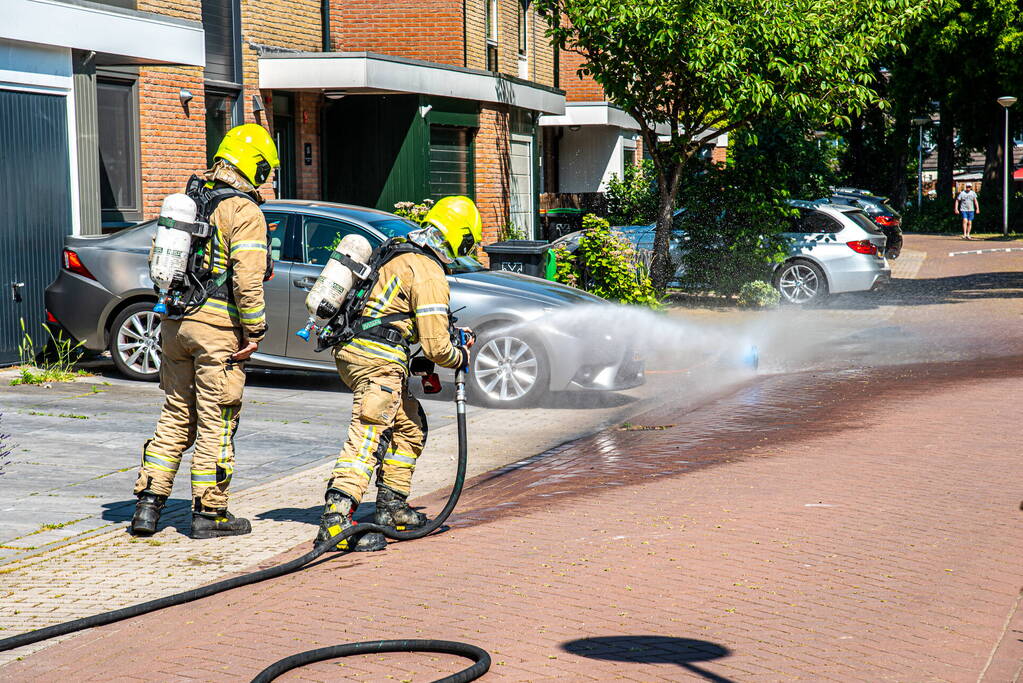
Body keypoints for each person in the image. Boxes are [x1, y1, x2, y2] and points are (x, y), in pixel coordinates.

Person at [130, 123, 279, 539]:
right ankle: (209, 514)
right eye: (265, 170)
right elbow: (247, 279)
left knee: (176, 414)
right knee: (217, 420)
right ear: (255, 164)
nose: (264, 180)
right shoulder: (244, 210)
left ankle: (147, 505)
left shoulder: (192, 199)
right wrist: (255, 329)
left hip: (174, 325)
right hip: (216, 330)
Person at [315, 196, 482, 552]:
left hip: (359, 349)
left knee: (409, 426)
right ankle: (335, 521)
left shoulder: (401, 253)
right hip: (377, 358)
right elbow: (438, 346)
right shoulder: (428, 270)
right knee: (370, 431)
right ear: (460, 237)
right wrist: (460, 355)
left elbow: (400, 318)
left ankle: (391, 506)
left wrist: (421, 356)